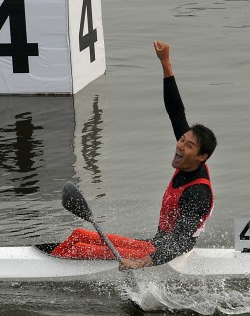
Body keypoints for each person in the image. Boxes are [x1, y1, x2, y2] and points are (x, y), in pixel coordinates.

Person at [51, 40, 217, 270]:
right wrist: (166, 63)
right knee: (79, 234)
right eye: (182, 140)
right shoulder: (189, 157)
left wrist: (139, 264)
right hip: (155, 243)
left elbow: (179, 243)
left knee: (80, 248)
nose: (180, 145)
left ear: (202, 157)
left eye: (188, 146)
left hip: (164, 254)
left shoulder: (197, 193)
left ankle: (51, 266)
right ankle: (56, 256)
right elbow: (175, 111)